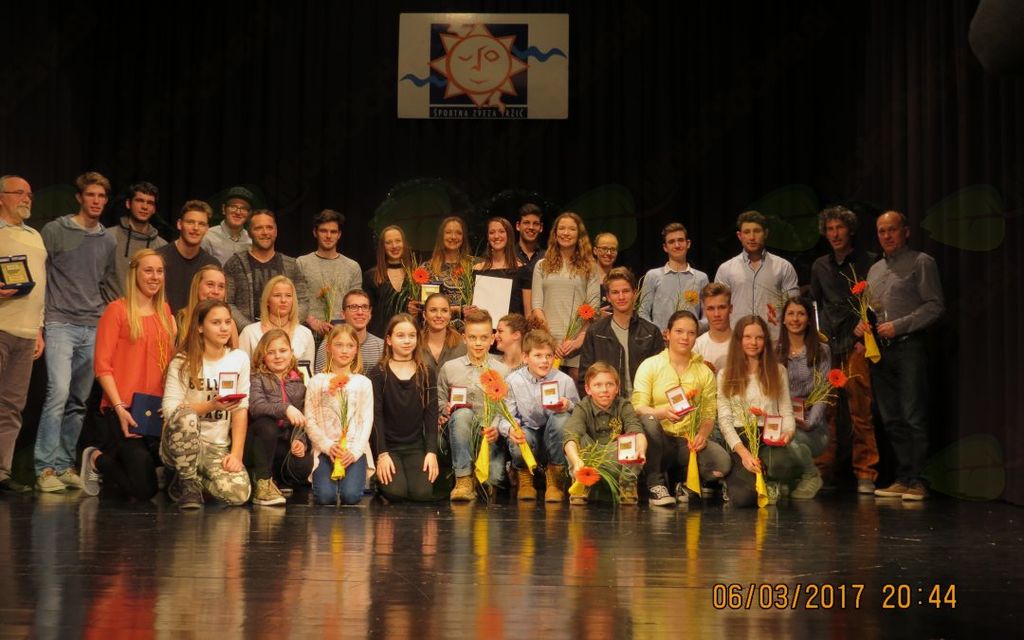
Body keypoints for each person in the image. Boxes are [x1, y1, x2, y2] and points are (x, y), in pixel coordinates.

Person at [34, 171, 117, 493]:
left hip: (92, 325)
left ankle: (65, 463)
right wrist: (39, 323)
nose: (96, 201)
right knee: (57, 393)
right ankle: (44, 468)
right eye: (91, 195)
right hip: (60, 322)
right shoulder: (56, 230)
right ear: (79, 198)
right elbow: (40, 274)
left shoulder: (107, 239)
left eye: (101, 196)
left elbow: (106, 281)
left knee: (79, 401)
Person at [859, 210, 944, 501]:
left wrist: (899, 325)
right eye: (881, 231)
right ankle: (903, 478)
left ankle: (918, 481)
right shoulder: (875, 270)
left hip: (909, 346)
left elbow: (935, 306)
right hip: (880, 352)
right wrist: (863, 325)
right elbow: (871, 310)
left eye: (892, 229)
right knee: (891, 418)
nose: (887, 235)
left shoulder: (921, 262)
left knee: (912, 415)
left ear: (906, 231)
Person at [83, 249, 176, 499]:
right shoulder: (117, 310)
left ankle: (123, 458)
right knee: (144, 490)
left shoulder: (165, 311)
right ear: (134, 273)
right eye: (148, 271)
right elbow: (102, 366)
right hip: (124, 408)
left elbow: (169, 363)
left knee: (165, 474)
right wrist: (119, 407)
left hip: (155, 409)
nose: (155, 277)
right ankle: (95, 458)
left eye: (159, 271)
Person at [809, 205, 880, 494]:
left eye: (839, 227)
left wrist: (866, 333)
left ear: (849, 229)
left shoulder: (869, 261)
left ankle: (866, 472)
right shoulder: (820, 266)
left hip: (856, 345)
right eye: (830, 229)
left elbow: (877, 303)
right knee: (824, 410)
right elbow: (816, 304)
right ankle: (823, 471)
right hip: (828, 346)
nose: (835, 234)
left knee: (860, 410)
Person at [633, 310, 731, 507]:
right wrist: (661, 413)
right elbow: (638, 408)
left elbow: (708, 414)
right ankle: (655, 484)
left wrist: (702, 434)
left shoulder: (704, 372)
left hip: (687, 441)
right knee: (648, 421)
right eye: (679, 331)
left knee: (722, 463)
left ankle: (680, 479)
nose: (685, 337)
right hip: (658, 441)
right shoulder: (650, 365)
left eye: (691, 333)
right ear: (667, 334)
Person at [161, 300, 251, 508]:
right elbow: (170, 410)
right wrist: (211, 406)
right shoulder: (182, 361)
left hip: (216, 447)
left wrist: (236, 454)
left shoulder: (239, 359)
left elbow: (241, 409)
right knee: (186, 416)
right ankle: (187, 482)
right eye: (216, 322)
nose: (224, 328)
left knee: (239, 494)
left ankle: (191, 480)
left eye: (227, 322)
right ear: (200, 327)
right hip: (180, 442)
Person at [717, 315, 814, 507]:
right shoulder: (724, 374)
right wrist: (744, 455)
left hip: (769, 435)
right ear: (739, 339)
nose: (753, 343)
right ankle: (736, 481)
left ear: (765, 341)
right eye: (747, 337)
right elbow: (725, 420)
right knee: (744, 500)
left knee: (783, 462)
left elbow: (786, 411)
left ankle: (770, 479)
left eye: (759, 337)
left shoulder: (778, 371)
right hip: (740, 439)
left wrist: (788, 433)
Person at [0, 175, 46, 493]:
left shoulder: (35, 236)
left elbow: (41, 287)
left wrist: (39, 330)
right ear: (2, 197)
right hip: (1, 327)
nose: (26, 198)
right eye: (19, 193)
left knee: (12, 406)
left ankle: (2, 471)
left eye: (29, 193)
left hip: (27, 332)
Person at [497, 330, 580, 502]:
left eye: (549, 355)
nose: (545, 361)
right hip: (528, 434)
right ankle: (525, 478)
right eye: (538, 355)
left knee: (562, 419)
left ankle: (555, 478)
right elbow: (504, 417)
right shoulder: (513, 381)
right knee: (518, 434)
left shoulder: (564, 381)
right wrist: (510, 429)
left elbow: (579, 414)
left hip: (554, 439)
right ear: (525, 357)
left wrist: (568, 405)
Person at [437, 309, 509, 502]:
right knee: (463, 414)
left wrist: (496, 427)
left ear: (492, 339)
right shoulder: (450, 368)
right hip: (459, 431)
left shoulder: (503, 371)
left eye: (484, 338)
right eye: (473, 337)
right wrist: (445, 409)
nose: (478, 343)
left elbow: (507, 407)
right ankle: (463, 479)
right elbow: (440, 399)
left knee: (492, 482)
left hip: (490, 434)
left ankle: (480, 476)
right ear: (464, 338)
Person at [370, 314, 441, 502]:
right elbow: (376, 416)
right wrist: (382, 454)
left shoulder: (426, 372)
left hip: (415, 446)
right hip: (389, 448)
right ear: (389, 340)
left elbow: (431, 415)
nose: (407, 341)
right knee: (396, 493)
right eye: (400, 336)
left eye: (412, 335)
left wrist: (431, 452)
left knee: (422, 493)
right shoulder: (378, 373)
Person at [304, 323, 374, 506]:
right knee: (325, 497)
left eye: (350, 346)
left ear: (356, 349)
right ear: (328, 347)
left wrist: (355, 452)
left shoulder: (363, 383)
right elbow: (310, 419)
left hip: (353, 449)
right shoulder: (317, 381)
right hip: (326, 448)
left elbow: (366, 420)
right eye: (339, 345)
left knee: (350, 496)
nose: (344, 350)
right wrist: (327, 446)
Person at [530, 212, 602, 379]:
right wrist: (551, 340)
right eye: (561, 228)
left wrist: (578, 341)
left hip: (577, 346)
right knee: (547, 390)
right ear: (555, 234)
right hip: (547, 344)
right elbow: (537, 307)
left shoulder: (590, 267)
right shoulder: (541, 266)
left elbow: (594, 308)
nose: (566, 233)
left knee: (574, 391)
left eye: (571, 229)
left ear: (579, 235)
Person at [563, 363, 646, 505]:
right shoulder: (582, 407)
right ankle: (580, 483)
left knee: (632, 439)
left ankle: (627, 484)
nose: (604, 390)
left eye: (609, 384)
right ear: (588, 389)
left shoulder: (624, 405)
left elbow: (637, 430)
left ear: (617, 388)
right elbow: (570, 436)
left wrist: (641, 449)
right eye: (598, 385)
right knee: (576, 438)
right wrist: (576, 461)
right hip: (588, 462)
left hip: (616, 461)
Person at [245, 329, 310, 506]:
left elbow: (303, 415)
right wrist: (285, 408)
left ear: (291, 352)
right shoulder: (256, 377)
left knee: (303, 466)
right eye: (271, 352)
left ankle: (279, 480)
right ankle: (262, 482)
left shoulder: (298, 379)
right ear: (263, 355)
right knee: (267, 426)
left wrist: (300, 440)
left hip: (284, 440)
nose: (278, 356)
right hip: (259, 441)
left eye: (283, 351)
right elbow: (256, 407)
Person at [578, 267, 662, 399]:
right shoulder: (595, 332)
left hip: (643, 405)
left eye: (626, 291)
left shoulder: (651, 332)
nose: (621, 297)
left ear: (635, 293)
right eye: (615, 292)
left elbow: (661, 376)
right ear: (608, 296)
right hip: (606, 405)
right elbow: (585, 378)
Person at [714, 210, 799, 337]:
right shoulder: (726, 269)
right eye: (747, 232)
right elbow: (718, 309)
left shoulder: (783, 267)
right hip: (738, 339)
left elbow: (794, 307)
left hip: (774, 339)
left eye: (757, 231)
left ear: (766, 233)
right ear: (739, 236)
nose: (752, 237)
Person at [777, 297, 829, 499]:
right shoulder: (775, 351)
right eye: (790, 314)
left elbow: (823, 394)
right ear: (783, 319)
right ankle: (787, 479)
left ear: (809, 319)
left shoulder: (822, 351)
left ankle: (811, 475)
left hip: (812, 428)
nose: (795, 319)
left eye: (801, 314)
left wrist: (808, 423)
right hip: (783, 421)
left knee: (789, 439)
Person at [224, 209, 309, 330]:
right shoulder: (235, 263)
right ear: (249, 232)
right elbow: (227, 303)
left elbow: (303, 301)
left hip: (285, 335)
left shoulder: (290, 264)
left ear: (276, 231)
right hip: (246, 336)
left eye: (269, 227)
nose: (265, 232)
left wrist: (285, 327)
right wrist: (252, 330)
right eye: (259, 228)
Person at [297, 209, 362, 337]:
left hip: (342, 335)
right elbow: (295, 300)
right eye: (323, 231)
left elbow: (356, 303)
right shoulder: (301, 263)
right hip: (309, 334)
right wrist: (312, 321)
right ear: (315, 233)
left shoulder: (352, 267)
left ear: (339, 235)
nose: (328, 236)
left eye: (333, 232)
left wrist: (343, 325)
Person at [102, 181, 167, 301]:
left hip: (145, 310)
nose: (144, 207)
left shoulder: (162, 246)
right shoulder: (109, 237)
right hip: (112, 309)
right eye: (139, 201)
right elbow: (96, 278)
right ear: (128, 203)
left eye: (150, 203)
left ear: (154, 209)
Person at [639, 223, 709, 332]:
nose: (677, 245)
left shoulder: (701, 278)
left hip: (691, 339)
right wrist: (656, 333)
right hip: (661, 340)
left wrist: (693, 328)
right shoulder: (653, 276)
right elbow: (642, 313)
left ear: (688, 243)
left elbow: (707, 316)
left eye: (680, 240)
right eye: (671, 242)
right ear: (665, 247)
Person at [156, 200, 219, 314]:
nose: (196, 228)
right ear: (179, 224)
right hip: (163, 323)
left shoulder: (212, 265)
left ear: (207, 229)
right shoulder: (158, 259)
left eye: (201, 224)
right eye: (190, 222)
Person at [238, 276, 316, 366]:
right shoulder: (249, 332)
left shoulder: (305, 333)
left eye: (288, 295)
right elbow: (241, 369)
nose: (283, 300)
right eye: (277, 295)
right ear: (267, 300)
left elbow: (308, 371)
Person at [363, 224, 419, 338]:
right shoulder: (371, 276)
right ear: (382, 247)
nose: (394, 246)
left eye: (398, 241)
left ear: (404, 243)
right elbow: (366, 311)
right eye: (388, 242)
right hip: (380, 338)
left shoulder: (416, 275)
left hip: (408, 338)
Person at [420, 216, 475, 326]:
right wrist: (459, 310)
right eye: (448, 232)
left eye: (458, 233)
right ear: (441, 236)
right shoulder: (426, 268)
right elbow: (424, 308)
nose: (453, 237)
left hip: (470, 331)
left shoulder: (474, 266)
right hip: (437, 330)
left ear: (463, 237)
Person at [313, 289, 385, 373]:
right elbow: (322, 377)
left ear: (370, 313)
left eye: (365, 307)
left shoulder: (381, 346)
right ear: (343, 314)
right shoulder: (329, 344)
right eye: (354, 307)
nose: (360, 312)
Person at [176, 265, 239, 349]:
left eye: (221, 286)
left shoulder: (230, 323)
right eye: (210, 285)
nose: (216, 291)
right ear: (197, 286)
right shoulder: (180, 319)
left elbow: (235, 354)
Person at [473, 216, 524, 315]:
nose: (496, 236)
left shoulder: (521, 269)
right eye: (492, 232)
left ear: (509, 235)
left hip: (513, 324)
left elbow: (527, 310)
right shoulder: (476, 270)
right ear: (488, 237)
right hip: (484, 324)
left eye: (501, 231)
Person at [201, 186, 254, 265]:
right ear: (223, 209)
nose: (238, 212)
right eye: (233, 206)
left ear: (249, 214)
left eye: (244, 208)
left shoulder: (251, 240)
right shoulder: (208, 237)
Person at [419, 292, 466, 377]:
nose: (439, 315)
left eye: (444, 310)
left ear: (450, 314)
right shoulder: (415, 343)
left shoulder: (462, 345)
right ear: (424, 315)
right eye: (433, 310)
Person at [693, 282, 734, 374]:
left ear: (730, 308)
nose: (716, 314)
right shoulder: (697, 346)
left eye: (722, 307)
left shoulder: (744, 343)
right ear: (704, 311)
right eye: (711, 308)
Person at [514, 203, 545, 314]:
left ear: (541, 228)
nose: (531, 227)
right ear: (518, 226)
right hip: (512, 319)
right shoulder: (508, 256)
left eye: (535, 224)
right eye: (526, 223)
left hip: (542, 319)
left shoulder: (548, 258)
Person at [592, 232, 619, 313]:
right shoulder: (586, 277)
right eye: (604, 249)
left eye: (613, 249)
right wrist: (595, 314)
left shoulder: (620, 278)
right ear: (595, 251)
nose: (608, 253)